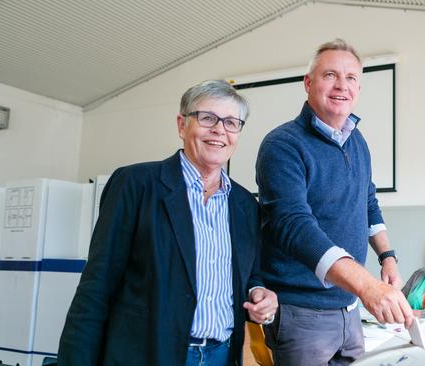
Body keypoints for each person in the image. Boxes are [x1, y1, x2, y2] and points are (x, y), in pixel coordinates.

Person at [58, 80, 277, 366]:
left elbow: (250, 276)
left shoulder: (245, 205)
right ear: (181, 124)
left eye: (231, 122)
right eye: (207, 118)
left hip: (221, 356)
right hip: (148, 354)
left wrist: (259, 295)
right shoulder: (136, 185)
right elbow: (97, 285)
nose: (219, 130)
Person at [255, 39, 414, 366]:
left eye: (351, 77)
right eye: (330, 75)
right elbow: (294, 226)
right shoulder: (282, 145)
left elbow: (367, 201)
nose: (342, 85)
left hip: (350, 308)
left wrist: (387, 256)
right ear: (308, 83)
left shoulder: (357, 141)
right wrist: (368, 286)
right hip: (302, 313)